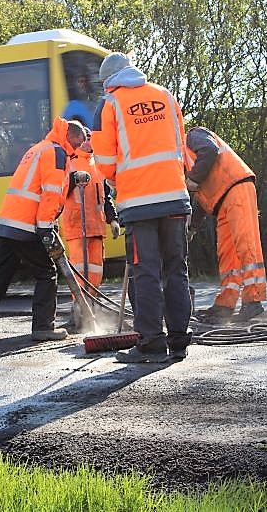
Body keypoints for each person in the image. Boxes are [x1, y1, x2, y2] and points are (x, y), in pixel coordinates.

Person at [91, 52, 192, 363]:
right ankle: (178, 342)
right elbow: (180, 143)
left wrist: (119, 181)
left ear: (108, 82)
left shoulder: (109, 104)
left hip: (139, 203)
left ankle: (151, 343)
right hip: (175, 196)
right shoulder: (165, 95)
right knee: (176, 270)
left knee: (145, 272)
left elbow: (104, 161)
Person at [0, 117, 87, 343]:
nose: (78, 148)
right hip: (28, 225)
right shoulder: (57, 153)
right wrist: (47, 227)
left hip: (8, 222)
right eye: (78, 143)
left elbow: (37, 182)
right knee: (47, 273)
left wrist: (71, 178)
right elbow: (50, 192)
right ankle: (43, 327)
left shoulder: (39, 149)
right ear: (69, 136)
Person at [185, 126, 266, 322]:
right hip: (221, 201)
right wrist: (193, 227)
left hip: (237, 188)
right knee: (227, 255)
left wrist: (193, 178)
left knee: (246, 244)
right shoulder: (182, 158)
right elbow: (201, 196)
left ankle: (253, 301)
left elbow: (210, 151)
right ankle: (225, 305)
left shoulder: (193, 136)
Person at [61, 127, 120, 328]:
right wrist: (72, 180)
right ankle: (78, 311)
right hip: (77, 225)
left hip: (95, 227)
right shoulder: (69, 161)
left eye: (91, 139)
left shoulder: (99, 165)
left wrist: (112, 220)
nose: (89, 142)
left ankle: (91, 308)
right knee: (79, 271)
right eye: (86, 139)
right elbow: (59, 188)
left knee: (95, 272)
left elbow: (106, 196)